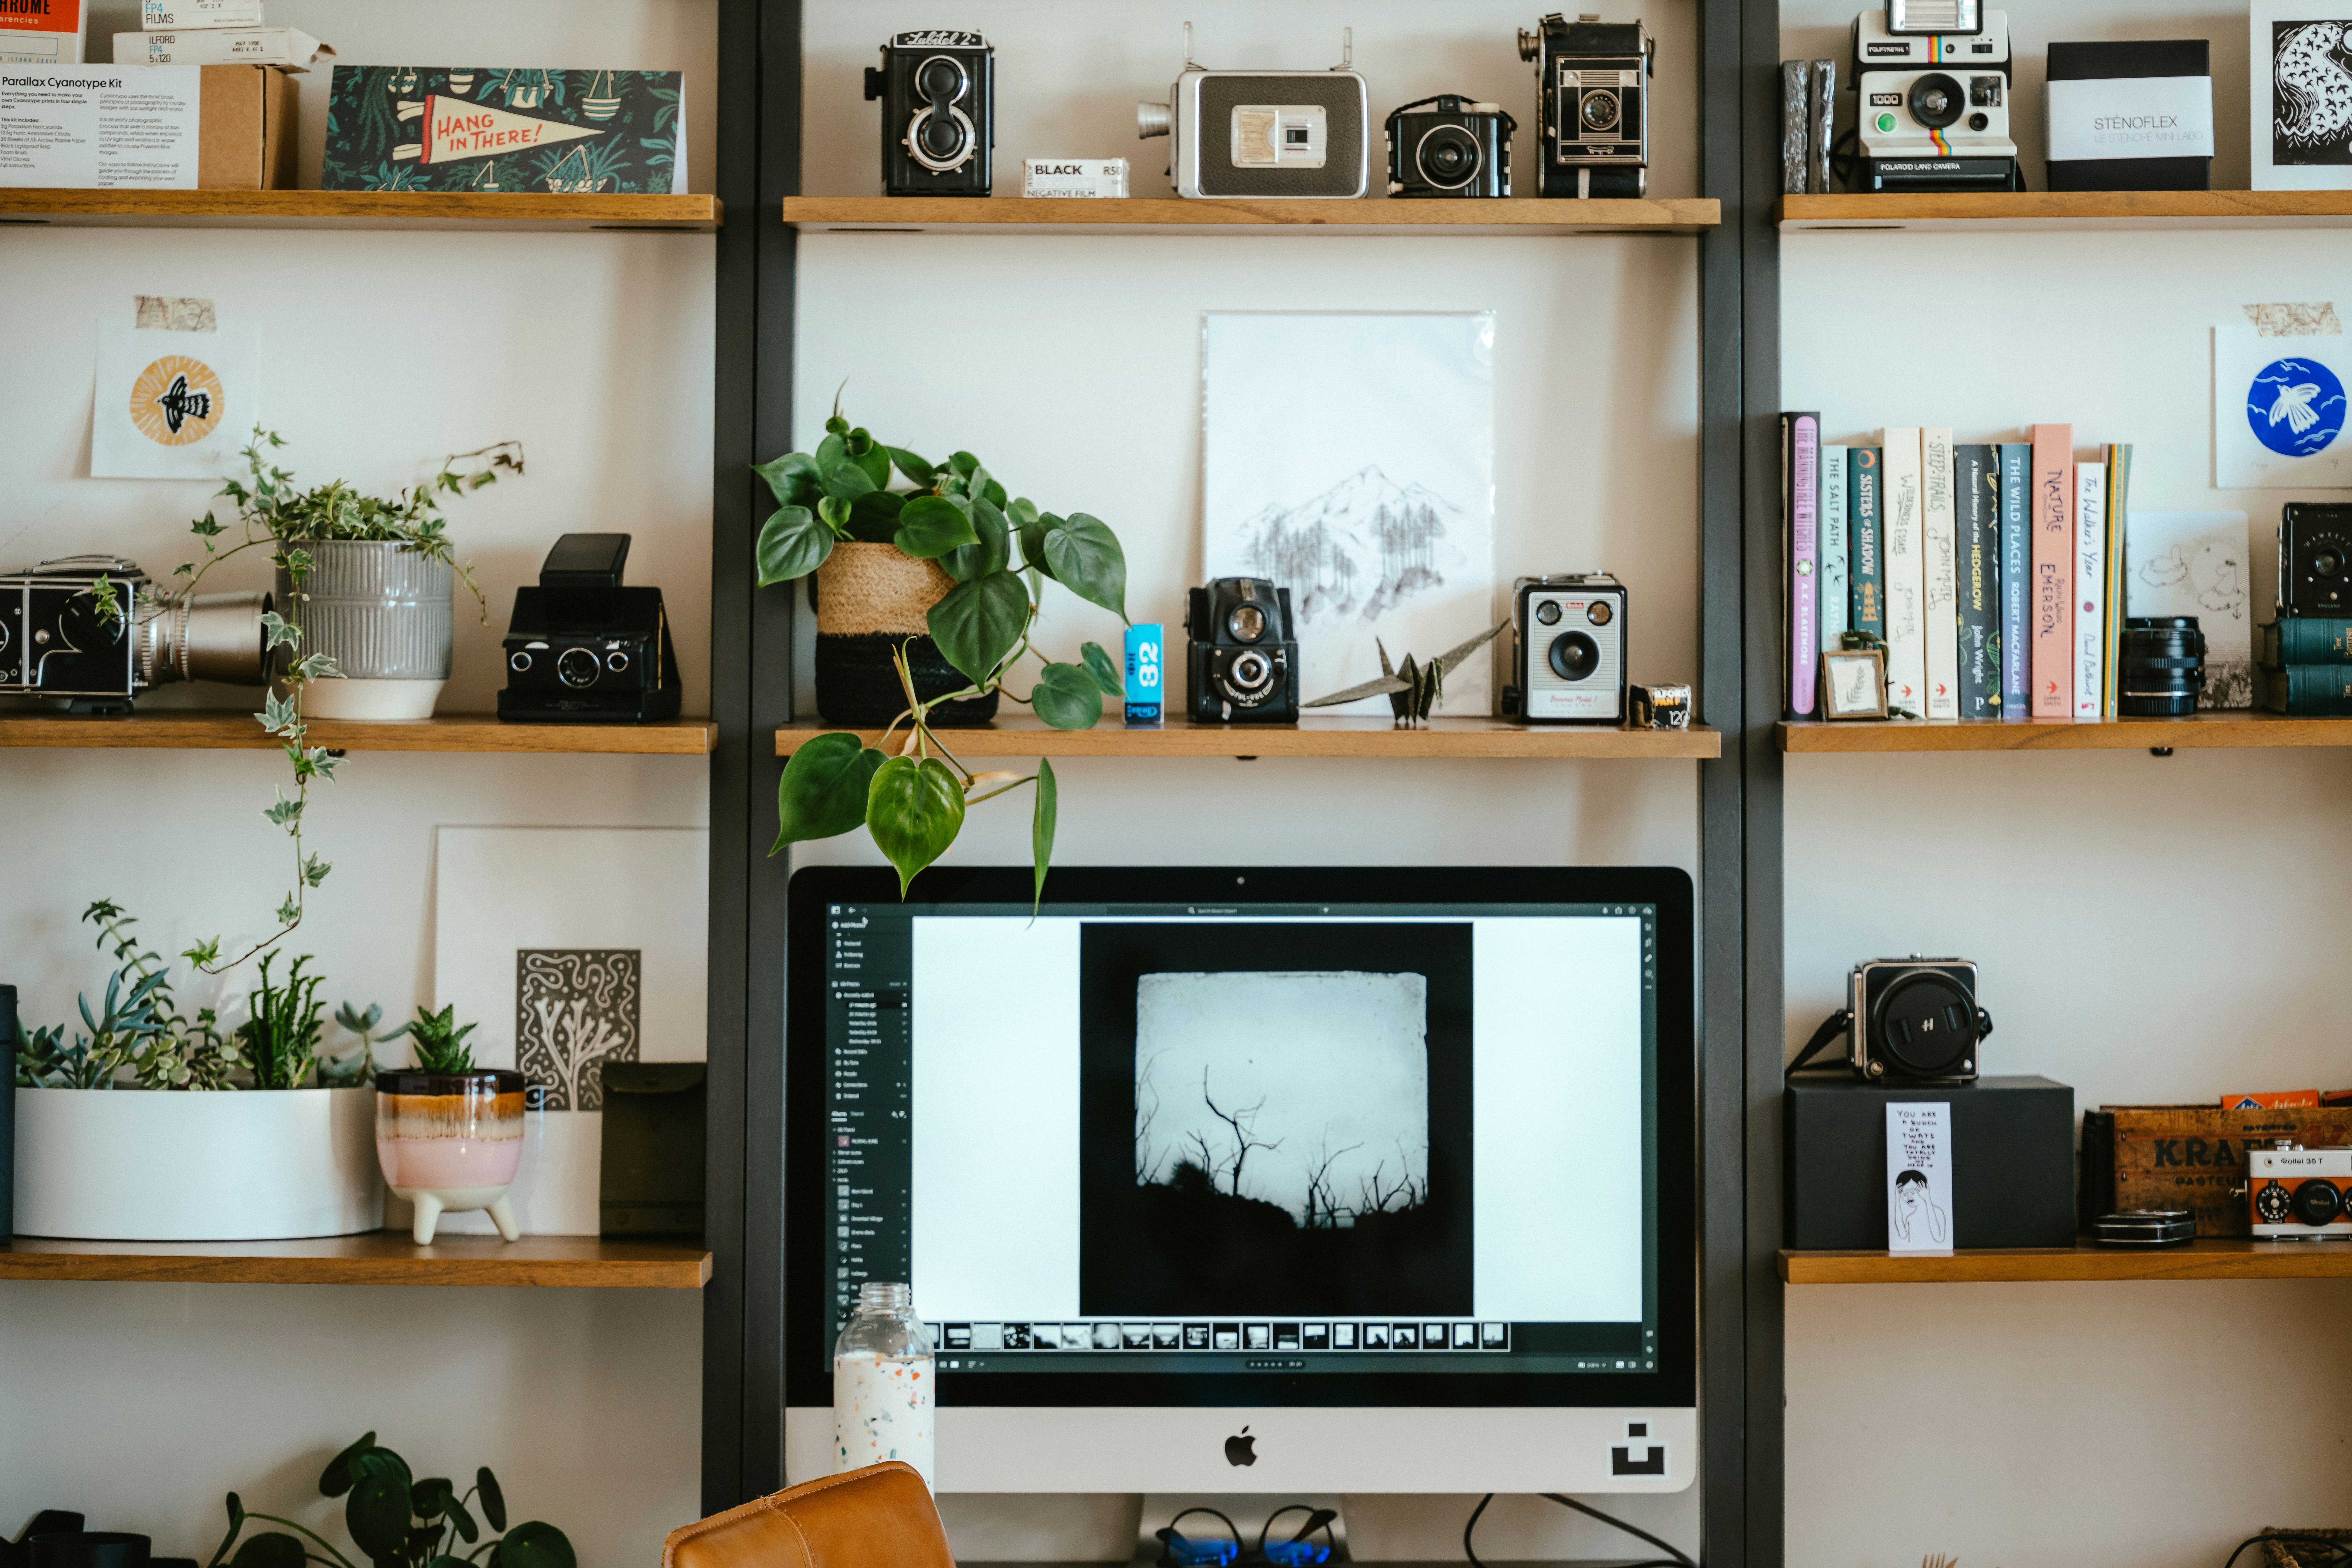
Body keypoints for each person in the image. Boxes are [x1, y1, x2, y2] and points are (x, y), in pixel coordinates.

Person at [1892, 1168, 1948, 1245]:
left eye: (1913, 1193)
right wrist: (1897, 1198)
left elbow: (1939, 1238)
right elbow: (1902, 1235)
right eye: (1904, 1194)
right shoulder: (1911, 1218)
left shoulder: (1938, 1212)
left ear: (1924, 1189)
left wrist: (1927, 1198)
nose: (1909, 1197)